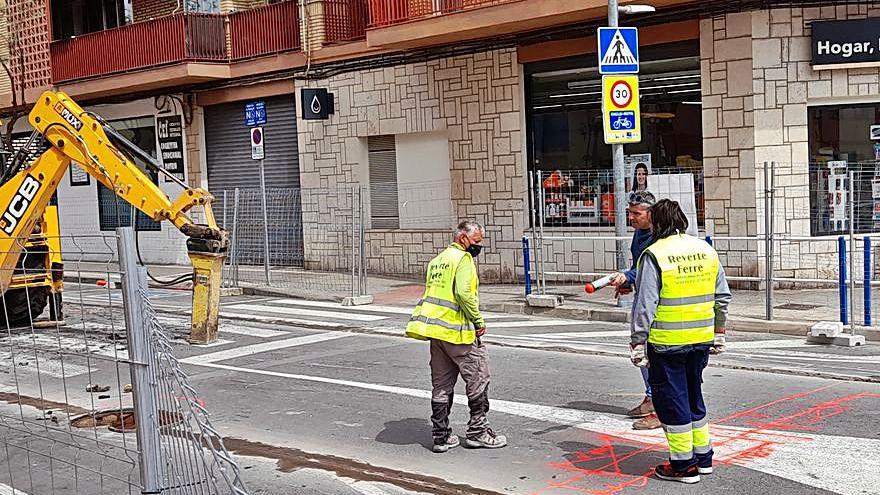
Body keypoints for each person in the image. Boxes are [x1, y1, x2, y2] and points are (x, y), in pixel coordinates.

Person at [629, 199, 730, 484]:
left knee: (672, 402)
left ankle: (683, 466)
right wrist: (719, 332)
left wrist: (638, 341)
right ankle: (703, 457)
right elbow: (722, 296)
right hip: (701, 339)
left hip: (667, 342)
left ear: (657, 224)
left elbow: (645, 303)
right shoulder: (704, 249)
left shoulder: (655, 254)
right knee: (693, 395)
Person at [406, 221, 507, 453]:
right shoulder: (462, 259)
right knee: (478, 378)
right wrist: (478, 321)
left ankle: (440, 437)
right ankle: (478, 432)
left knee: (441, 385)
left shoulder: (437, 261)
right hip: (459, 333)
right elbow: (463, 294)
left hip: (437, 333)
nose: (478, 247)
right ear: (463, 238)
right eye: (476, 242)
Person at [607, 190, 660, 430]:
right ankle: (651, 399)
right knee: (640, 349)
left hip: (658, 303)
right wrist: (629, 281)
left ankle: (660, 406)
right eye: (630, 213)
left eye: (636, 213)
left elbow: (652, 268)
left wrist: (628, 276)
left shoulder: (660, 236)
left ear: (652, 213)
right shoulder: (640, 233)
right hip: (643, 297)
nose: (632, 218)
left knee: (652, 351)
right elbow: (639, 265)